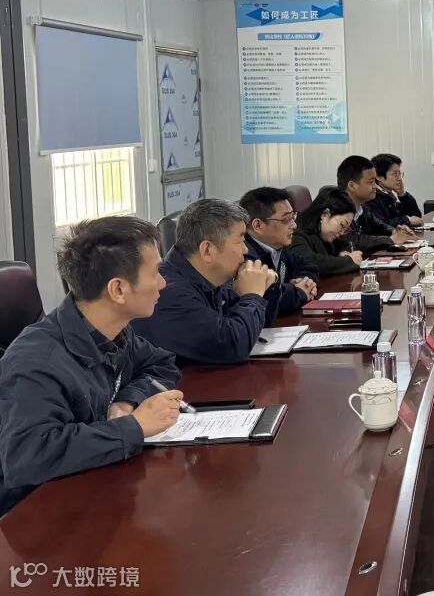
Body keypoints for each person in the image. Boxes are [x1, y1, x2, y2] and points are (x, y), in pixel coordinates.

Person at [0, 216, 183, 515]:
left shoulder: (113, 331)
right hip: (37, 515)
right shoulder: (37, 362)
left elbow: (161, 364)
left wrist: (128, 400)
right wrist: (135, 427)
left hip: (95, 486)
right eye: (155, 273)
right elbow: (29, 457)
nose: (163, 283)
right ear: (118, 290)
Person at [131, 199, 277, 365]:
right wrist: (253, 296)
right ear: (207, 250)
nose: (245, 250)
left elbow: (259, 323)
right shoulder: (169, 294)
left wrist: (264, 285)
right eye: (240, 240)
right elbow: (232, 347)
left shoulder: (210, 277)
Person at [240, 187, 320, 327]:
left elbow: (309, 266)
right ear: (258, 225)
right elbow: (268, 297)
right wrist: (300, 292)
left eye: (293, 217)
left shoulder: (277, 247)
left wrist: (304, 281)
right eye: (287, 219)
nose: (294, 225)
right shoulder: (244, 255)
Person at [336, 155, 413, 253]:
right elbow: (351, 240)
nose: (375, 186)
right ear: (352, 185)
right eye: (371, 182)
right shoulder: (337, 208)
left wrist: (395, 231)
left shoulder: (362, 207)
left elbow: (378, 225)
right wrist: (391, 240)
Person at [291, 187, 366, 276]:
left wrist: (344, 253)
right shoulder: (295, 234)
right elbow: (311, 261)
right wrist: (348, 260)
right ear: (325, 214)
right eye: (342, 225)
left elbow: (346, 243)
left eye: (345, 229)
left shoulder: (326, 234)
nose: (342, 232)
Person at [367, 153, 424, 228]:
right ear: (379, 177)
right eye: (395, 174)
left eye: (399, 173)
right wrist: (407, 220)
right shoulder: (371, 197)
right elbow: (380, 225)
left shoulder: (389, 195)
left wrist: (403, 195)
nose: (399, 178)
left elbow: (416, 218)